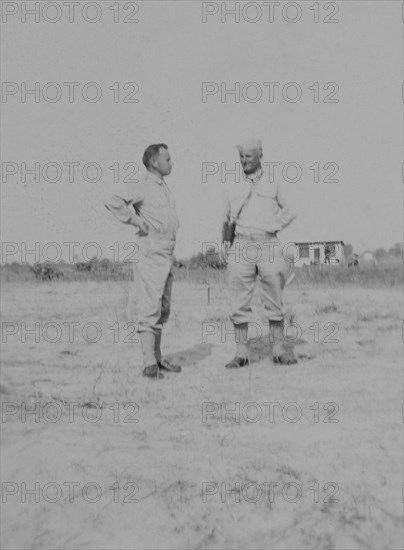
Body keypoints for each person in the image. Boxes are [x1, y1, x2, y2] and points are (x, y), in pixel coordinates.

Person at [105, 144, 181, 379]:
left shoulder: (163, 188)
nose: (171, 163)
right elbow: (113, 200)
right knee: (149, 308)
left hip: (165, 254)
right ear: (154, 163)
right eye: (167, 159)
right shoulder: (143, 185)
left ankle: (157, 359)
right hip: (150, 255)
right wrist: (136, 222)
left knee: (162, 309)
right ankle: (149, 363)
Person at [222, 138, 298, 367]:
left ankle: (278, 350)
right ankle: (241, 353)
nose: (244, 161)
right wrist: (226, 244)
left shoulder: (274, 182)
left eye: (249, 156)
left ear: (260, 156)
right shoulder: (233, 185)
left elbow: (291, 210)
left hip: (268, 244)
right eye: (241, 156)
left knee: (274, 298)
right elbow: (226, 219)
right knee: (238, 300)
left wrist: (272, 226)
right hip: (241, 245)